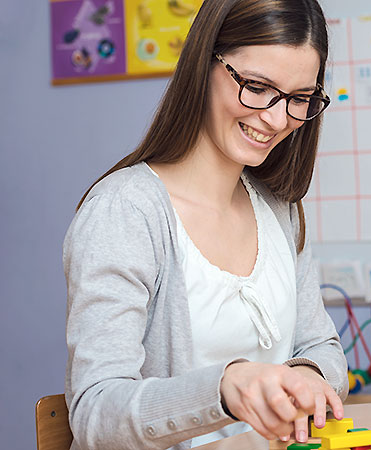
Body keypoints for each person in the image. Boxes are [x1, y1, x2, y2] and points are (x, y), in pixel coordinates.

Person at [63, 1, 348, 449]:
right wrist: (224, 388)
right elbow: (95, 411)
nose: (276, 119)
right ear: (204, 64)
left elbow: (322, 348)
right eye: (256, 86)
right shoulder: (126, 211)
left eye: (299, 99)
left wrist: (307, 376)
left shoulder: (278, 209)